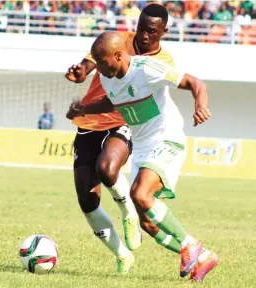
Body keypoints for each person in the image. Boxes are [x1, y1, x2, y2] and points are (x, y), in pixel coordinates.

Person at [67, 31, 219, 282]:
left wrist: (201, 105)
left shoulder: (147, 68)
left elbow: (195, 83)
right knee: (148, 224)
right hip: (143, 147)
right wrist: (84, 108)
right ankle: (202, 255)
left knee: (139, 194)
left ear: (118, 55)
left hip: (166, 138)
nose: (98, 69)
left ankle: (190, 244)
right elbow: (112, 103)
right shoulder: (107, 77)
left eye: (101, 62)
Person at [65, 3, 178, 275]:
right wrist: (82, 70)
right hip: (89, 122)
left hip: (125, 121)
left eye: (151, 31)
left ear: (163, 31)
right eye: (141, 28)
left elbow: (155, 100)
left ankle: (128, 211)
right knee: (86, 200)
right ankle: (122, 254)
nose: (144, 35)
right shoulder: (117, 41)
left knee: (107, 167)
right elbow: (90, 60)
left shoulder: (164, 62)